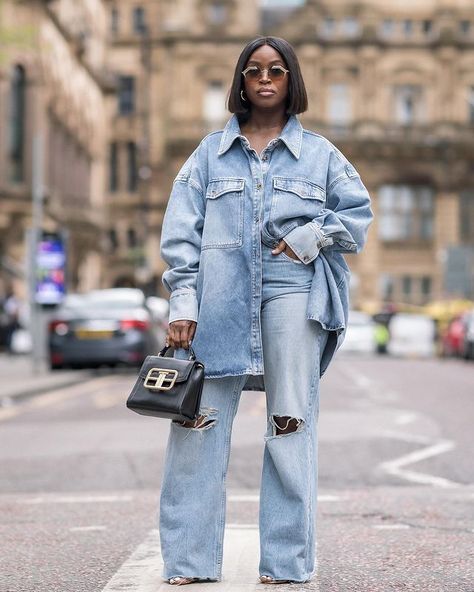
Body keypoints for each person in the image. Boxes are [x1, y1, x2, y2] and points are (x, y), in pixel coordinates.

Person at [159, 36, 374, 586]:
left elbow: (357, 218)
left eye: (276, 70)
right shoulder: (208, 153)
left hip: (293, 292)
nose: (265, 78)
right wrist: (184, 301)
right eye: (254, 70)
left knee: (290, 424)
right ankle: (189, 563)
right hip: (219, 296)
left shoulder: (322, 154)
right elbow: (181, 234)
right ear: (240, 81)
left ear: (290, 80)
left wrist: (307, 235)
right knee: (196, 426)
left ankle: (285, 563)